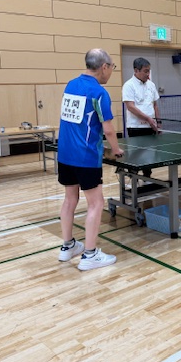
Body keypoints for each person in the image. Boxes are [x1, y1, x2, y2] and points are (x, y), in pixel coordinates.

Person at [57, 49, 124, 271]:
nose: (111, 71)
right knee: (96, 203)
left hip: (64, 154)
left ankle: (68, 246)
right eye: (112, 67)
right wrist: (116, 150)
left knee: (70, 200)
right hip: (85, 156)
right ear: (104, 67)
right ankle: (90, 254)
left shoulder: (70, 85)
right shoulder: (99, 93)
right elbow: (109, 129)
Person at [122, 57, 161, 184]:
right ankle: (133, 180)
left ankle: (147, 178)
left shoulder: (151, 85)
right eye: (145, 71)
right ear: (136, 70)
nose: (147, 74)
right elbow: (130, 107)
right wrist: (148, 119)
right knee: (135, 155)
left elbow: (155, 105)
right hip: (135, 127)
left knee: (150, 154)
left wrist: (158, 122)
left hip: (150, 126)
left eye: (149, 71)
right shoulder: (129, 85)